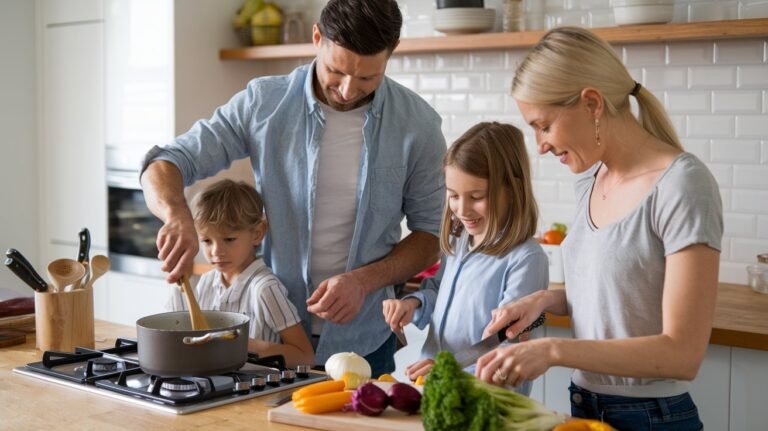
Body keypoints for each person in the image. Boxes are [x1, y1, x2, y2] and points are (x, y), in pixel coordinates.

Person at [140, 0, 445, 376]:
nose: (348, 90)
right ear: (317, 38)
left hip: (365, 340)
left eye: (368, 78)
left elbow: (430, 234)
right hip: (268, 337)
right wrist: (176, 216)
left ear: (391, 53)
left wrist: (363, 281)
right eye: (336, 70)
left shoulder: (419, 125)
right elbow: (166, 161)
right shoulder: (263, 103)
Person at [475, 27, 723, 431]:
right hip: (584, 408)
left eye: (544, 125)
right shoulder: (591, 180)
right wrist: (546, 301)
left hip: (651, 418)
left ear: (591, 103)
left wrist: (556, 350)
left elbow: (683, 353)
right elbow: (620, 294)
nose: (539, 144)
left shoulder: (682, 184)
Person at [382, 122, 548, 395]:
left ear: (512, 189)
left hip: (488, 403)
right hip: (437, 391)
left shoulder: (526, 259)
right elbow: (436, 290)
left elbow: (509, 350)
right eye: (453, 196)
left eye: (476, 196)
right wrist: (413, 304)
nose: (462, 209)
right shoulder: (460, 243)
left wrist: (450, 374)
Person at [167, 180, 314, 367]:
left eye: (229, 239)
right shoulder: (205, 283)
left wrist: (241, 346)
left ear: (257, 233)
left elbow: (305, 356)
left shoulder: (265, 289)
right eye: (206, 240)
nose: (216, 251)